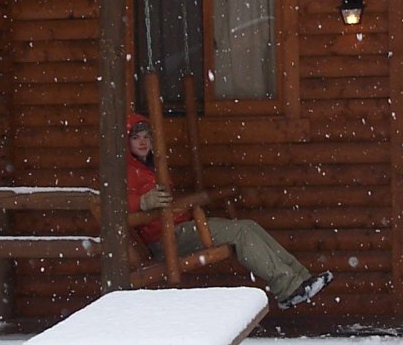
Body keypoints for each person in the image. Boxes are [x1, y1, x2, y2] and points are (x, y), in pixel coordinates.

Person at [124, 113, 332, 309]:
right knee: (239, 232)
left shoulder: (151, 167)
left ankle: (301, 278)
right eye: (136, 138)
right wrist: (142, 202)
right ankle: (288, 287)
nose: (143, 142)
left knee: (248, 226)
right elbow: (116, 204)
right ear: (127, 142)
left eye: (146, 137)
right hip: (165, 239)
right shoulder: (126, 171)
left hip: (180, 229)